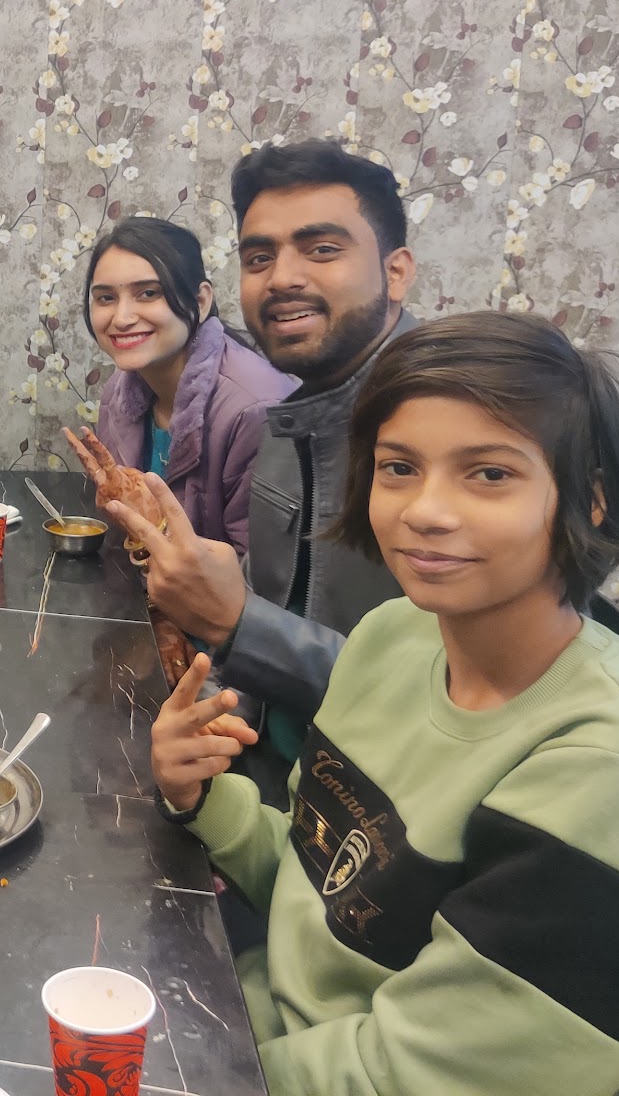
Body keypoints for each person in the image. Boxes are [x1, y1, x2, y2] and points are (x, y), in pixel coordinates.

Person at [149, 311, 619, 1095]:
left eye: (489, 474)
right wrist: (202, 795)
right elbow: (326, 890)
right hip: (244, 1023)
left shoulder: (607, 773)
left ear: (591, 500)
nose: (426, 511)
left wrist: (187, 1067)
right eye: (399, 467)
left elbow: (409, 1077)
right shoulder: (393, 637)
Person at [106, 143, 422, 750]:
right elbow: (253, 615)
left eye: (322, 249)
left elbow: (458, 707)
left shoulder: (453, 432)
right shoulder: (289, 420)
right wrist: (201, 725)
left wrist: (236, 623)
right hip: (266, 778)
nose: (282, 278)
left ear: (396, 271)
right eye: (259, 258)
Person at [62, 216, 295, 556]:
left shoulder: (257, 410)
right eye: (106, 298)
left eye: (148, 293)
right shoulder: (119, 392)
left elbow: (262, 571)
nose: (122, 318)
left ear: (200, 301)